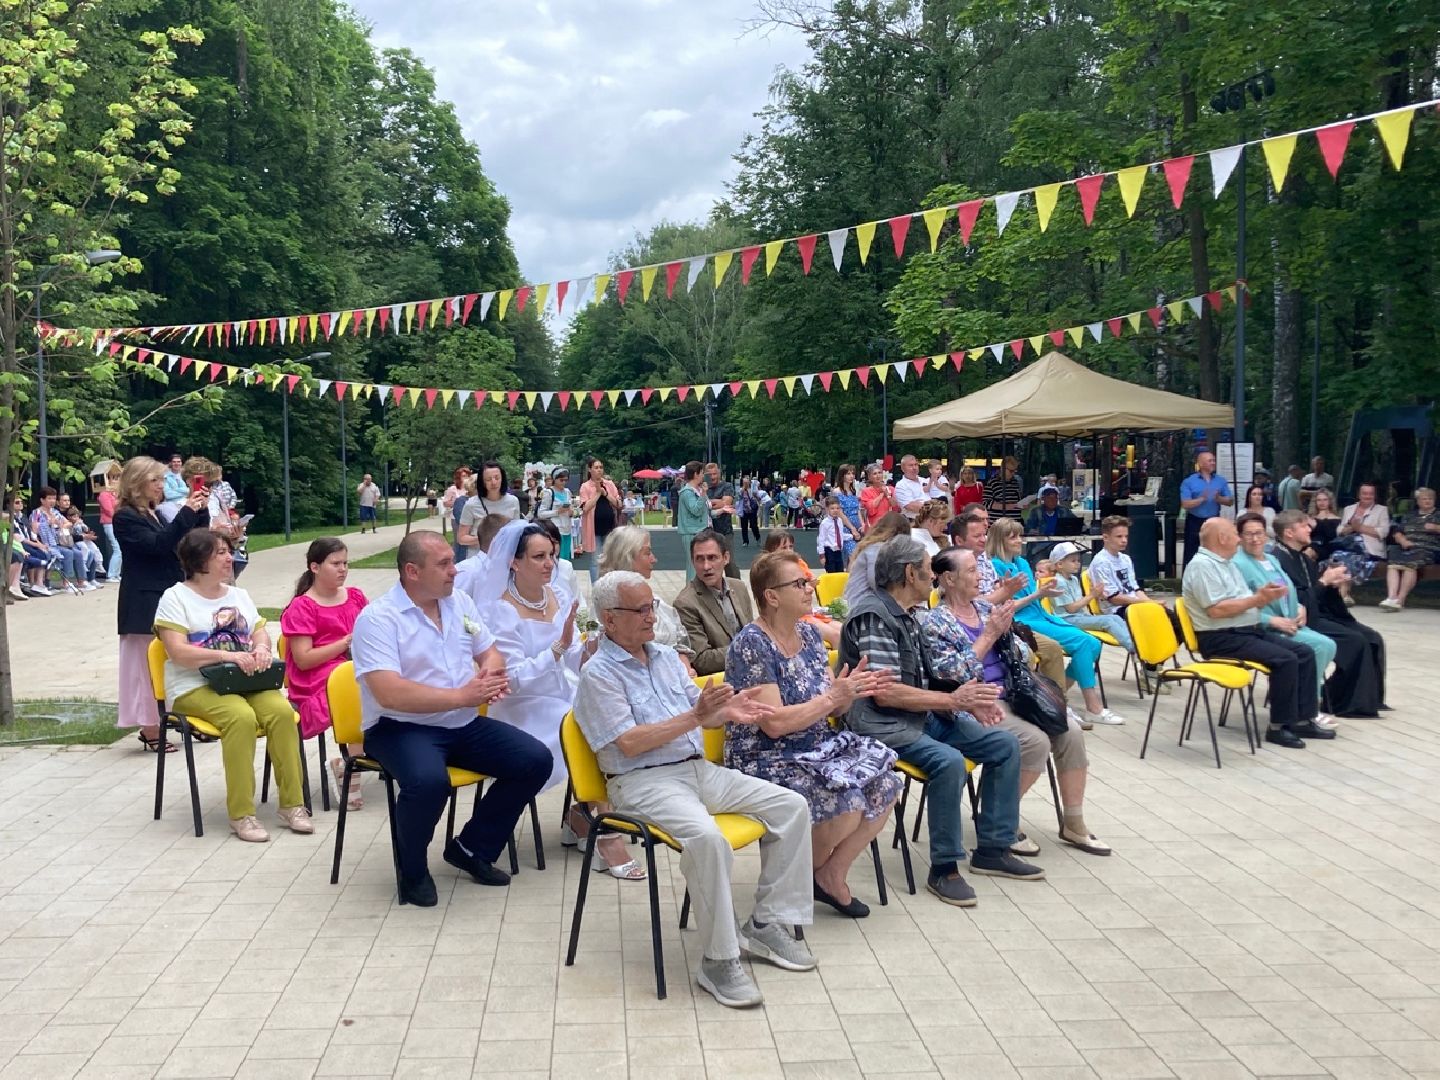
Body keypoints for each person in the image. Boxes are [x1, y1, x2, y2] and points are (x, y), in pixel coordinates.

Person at [575, 569, 815, 1007]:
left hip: (696, 771)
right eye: (641, 609)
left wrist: (732, 709)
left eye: (653, 606)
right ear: (609, 620)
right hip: (641, 782)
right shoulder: (599, 674)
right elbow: (628, 744)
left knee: (792, 805)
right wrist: (697, 718)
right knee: (707, 839)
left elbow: (701, 711)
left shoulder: (665, 657)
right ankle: (718, 961)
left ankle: (767, 923)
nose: (652, 617)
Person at [350, 530, 552, 906]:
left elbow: (490, 651)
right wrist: (463, 695)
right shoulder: (378, 618)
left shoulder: (458, 602)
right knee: (429, 782)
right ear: (412, 571)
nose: (454, 571)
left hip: (459, 722)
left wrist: (490, 674)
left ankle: (472, 848)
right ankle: (411, 872)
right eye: (443, 564)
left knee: (534, 760)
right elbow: (388, 691)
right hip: (398, 726)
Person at [840, 537, 1042, 906]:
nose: (933, 575)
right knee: (947, 762)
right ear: (908, 572)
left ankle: (993, 848)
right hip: (881, 722)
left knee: (1004, 744)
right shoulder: (874, 615)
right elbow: (885, 694)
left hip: (918, 713)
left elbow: (929, 675)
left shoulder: (911, 613)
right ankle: (944, 867)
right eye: (928, 567)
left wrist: (969, 702)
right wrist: (951, 700)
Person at [726, 551, 900, 918]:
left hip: (815, 747)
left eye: (809, 581)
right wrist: (833, 698)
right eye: (799, 583)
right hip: (765, 756)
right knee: (847, 800)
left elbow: (828, 704)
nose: (810, 588)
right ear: (771, 596)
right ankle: (790, 882)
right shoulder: (752, 644)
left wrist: (847, 694)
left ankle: (829, 875)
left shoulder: (806, 632)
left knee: (886, 783)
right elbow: (772, 723)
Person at [925, 547, 1111, 857]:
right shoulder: (934, 622)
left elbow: (1023, 656)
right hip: (974, 701)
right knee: (1034, 741)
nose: (980, 575)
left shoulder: (985, 611)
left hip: (1015, 694)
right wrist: (989, 635)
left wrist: (1010, 638)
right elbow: (952, 673)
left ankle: (1074, 823)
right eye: (971, 570)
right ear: (948, 578)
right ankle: (998, 822)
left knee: (1070, 732)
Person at [155, 530, 310, 842]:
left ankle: (293, 805)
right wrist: (229, 655)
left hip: (245, 679)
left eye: (229, 551)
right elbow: (178, 653)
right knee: (240, 718)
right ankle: (242, 814)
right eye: (221, 553)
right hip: (194, 685)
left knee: (281, 712)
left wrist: (262, 649)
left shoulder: (238, 595)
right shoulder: (175, 597)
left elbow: (260, 633)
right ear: (199, 561)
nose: (230, 558)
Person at [1181, 518, 1328, 748]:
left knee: (1304, 652)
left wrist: (1262, 595)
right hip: (1220, 637)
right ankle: (1279, 727)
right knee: (1285, 659)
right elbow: (1216, 610)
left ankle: (1302, 719)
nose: (1239, 539)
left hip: (1244, 631)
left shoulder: (1226, 563)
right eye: (1235, 534)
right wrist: (1258, 599)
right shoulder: (1202, 566)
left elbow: (1243, 599)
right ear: (1222, 538)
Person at [986, 519, 1125, 727]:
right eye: (1012, 537)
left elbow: (1033, 596)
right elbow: (1009, 606)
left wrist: (1043, 594)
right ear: (1000, 540)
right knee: (1085, 643)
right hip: (1022, 620)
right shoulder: (996, 566)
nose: (1019, 540)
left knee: (1094, 644)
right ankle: (1092, 707)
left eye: (1019, 535)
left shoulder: (1022, 563)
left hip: (1041, 615)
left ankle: (1053, 695)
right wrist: (1039, 594)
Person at [113, 457, 210, 751]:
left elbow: (183, 541)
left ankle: (185, 718)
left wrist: (200, 513)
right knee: (145, 665)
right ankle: (150, 728)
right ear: (138, 482)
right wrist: (185, 512)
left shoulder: (155, 514)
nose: (161, 486)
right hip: (143, 601)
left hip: (167, 596)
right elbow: (157, 546)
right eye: (155, 480)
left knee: (177, 662)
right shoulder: (126, 517)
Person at [1271, 510, 1387, 718]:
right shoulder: (1278, 559)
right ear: (1289, 533)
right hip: (1301, 618)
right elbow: (1294, 599)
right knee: (1355, 641)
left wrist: (1331, 584)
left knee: (1372, 638)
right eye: (1304, 526)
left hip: (1319, 612)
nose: (1310, 529)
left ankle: (1363, 699)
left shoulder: (1303, 558)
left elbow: (1315, 592)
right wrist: (1324, 582)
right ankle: (1345, 702)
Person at [281, 538, 370, 809]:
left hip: (352, 665)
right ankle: (352, 764)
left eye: (345, 563)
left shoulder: (355, 596)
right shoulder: (302, 606)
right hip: (315, 678)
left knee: (384, 682)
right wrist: (345, 643)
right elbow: (304, 660)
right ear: (315, 567)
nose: (343, 569)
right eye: (336, 564)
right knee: (353, 685)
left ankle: (356, 761)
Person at [1231, 514, 1337, 728]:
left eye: (1258, 533)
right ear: (1240, 537)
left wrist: (1299, 606)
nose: (1254, 539)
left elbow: (1288, 588)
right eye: (1248, 534)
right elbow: (1239, 606)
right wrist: (1272, 621)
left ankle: (1302, 702)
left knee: (1328, 644)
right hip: (1264, 626)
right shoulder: (1237, 564)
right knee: (1317, 647)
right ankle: (1307, 708)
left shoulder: (1271, 559)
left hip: (1291, 622)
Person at [597, 525, 694, 670]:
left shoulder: (655, 601)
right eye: (647, 553)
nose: (654, 559)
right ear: (627, 557)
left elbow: (679, 642)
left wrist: (684, 663)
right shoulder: (608, 608)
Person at [675, 529, 755, 676]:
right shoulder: (685, 603)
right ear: (692, 561)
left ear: (726, 558)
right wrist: (747, 648)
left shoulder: (739, 587)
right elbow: (701, 659)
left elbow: (750, 631)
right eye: (700, 559)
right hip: (721, 682)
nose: (706, 566)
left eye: (712, 558)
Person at [1048, 541, 1135, 653]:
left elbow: (1079, 603)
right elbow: (1071, 609)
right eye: (1073, 561)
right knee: (1107, 621)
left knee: (1116, 618)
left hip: (1079, 616)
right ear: (1059, 564)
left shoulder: (1074, 579)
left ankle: (1136, 642)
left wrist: (1098, 594)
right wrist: (1092, 595)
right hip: (1066, 620)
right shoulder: (1058, 582)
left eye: (1079, 560)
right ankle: (1133, 648)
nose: (1078, 564)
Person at [1381, 486, 1439, 611]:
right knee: (1393, 562)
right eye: (1424, 499)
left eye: (1430, 499)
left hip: (1427, 548)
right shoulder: (1410, 515)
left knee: (1410, 565)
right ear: (1418, 501)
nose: (1427, 501)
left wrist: (1436, 528)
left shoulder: (1438, 515)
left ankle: (1400, 599)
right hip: (1406, 547)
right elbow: (1397, 532)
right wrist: (1403, 540)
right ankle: (1391, 597)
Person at [841, 511, 911, 609]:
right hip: (861, 606)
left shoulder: (877, 548)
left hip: (872, 603)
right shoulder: (875, 549)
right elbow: (877, 581)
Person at [1336, 482, 1390, 604]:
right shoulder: (1348, 509)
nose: (1367, 496)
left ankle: (1342, 595)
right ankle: (1344, 596)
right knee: (1337, 557)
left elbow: (1383, 532)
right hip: (1348, 546)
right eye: (1364, 493)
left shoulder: (1382, 510)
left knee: (1349, 558)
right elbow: (1340, 530)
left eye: (1371, 494)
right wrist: (1351, 528)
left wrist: (1359, 527)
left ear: (1375, 496)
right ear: (1359, 495)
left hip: (1369, 549)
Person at [1180, 451, 1234, 567]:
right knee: (1191, 551)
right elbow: (1185, 504)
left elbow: (1230, 501)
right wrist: (1201, 499)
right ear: (1201, 463)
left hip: (1214, 520)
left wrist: (1218, 498)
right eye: (1210, 461)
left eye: (1214, 460)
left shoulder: (1220, 480)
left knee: (1214, 550)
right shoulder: (1189, 481)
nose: (1213, 463)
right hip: (1195, 521)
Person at [29, 489, 87, 593]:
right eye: (49, 498)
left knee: (77, 553)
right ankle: (64, 583)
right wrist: (47, 524)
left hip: (56, 542)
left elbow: (68, 523)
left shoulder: (54, 512)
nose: (52, 501)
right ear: (42, 500)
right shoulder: (37, 513)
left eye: (54, 498)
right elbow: (34, 531)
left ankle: (81, 581)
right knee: (67, 553)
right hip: (44, 543)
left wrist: (59, 525)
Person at [457, 461, 521, 555]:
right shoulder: (472, 504)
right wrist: (487, 539)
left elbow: (517, 531)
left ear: (502, 479)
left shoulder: (513, 501)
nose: (494, 482)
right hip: (479, 557)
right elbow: (461, 538)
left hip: (505, 556)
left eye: (497, 478)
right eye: (488, 479)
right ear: (482, 482)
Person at [576, 455, 620, 565]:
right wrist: (597, 492)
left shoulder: (609, 484)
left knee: (610, 559)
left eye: (601, 467)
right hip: (593, 528)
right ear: (590, 470)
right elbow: (585, 508)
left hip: (609, 526)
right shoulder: (585, 486)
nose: (599, 470)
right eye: (596, 467)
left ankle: (608, 582)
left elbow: (618, 504)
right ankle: (596, 582)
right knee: (596, 560)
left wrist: (605, 493)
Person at [534, 467, 575, 560]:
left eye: (566, 480)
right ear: (554, 479)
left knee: (565, 560)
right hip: (555, 529)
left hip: (567, 529)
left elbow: (571, 508)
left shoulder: (567, 492)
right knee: (556, 558)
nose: (564, 482)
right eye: (561, 480)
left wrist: (571, 512)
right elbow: (541, 514)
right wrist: (557, 512)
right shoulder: (549, 492)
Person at [832, 465, 864, 562]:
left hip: (857, 524)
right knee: (852, 555)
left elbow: (858, 509)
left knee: (858, 556)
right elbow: (840, 513)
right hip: (845, 526)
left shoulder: (853, 491)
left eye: (853, 474)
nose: (851, 476)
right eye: (848, 474)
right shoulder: (837, 492)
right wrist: (852, 528)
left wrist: (862, 524)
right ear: (842, 476)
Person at [97, 463, 123, 582]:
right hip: (110, 522)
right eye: (113, 478)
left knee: (119, 548)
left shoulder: (116, 494)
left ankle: (115, 573)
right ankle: (111, 574)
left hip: (116, 522)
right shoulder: (104, 494)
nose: (116, 481)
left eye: (117, 478)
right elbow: (109, 510)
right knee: (117, 548)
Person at [982, 456, 1024, 521]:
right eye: (1011, 471)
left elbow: (1017, 500)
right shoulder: (992, 483)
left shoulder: (1015, 482)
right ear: (1003, 469)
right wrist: (1007, 506)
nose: (1013, 473)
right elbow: (985, 503)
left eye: (1015, 471)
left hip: (1015, 522)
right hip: (998, 523)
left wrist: (1022, 504)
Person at [859, 464, 899, 529]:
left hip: (889, 524)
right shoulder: (866, 491)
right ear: (869, 477)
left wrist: (888, 495)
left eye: (879, 473)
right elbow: (871, 509)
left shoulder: (891, 489)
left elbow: (895, 506)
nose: (878, 476)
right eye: (874, 474)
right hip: (874, 526)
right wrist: (881, 495)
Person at [1307, 488, 1343, 559]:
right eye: (1319, 500)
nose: (1322, 502)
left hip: (1325, 547)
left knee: (1309, 552)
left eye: (1325, 500)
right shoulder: (1310, 518)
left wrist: (1316, 525)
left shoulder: (1337, 520)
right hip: (1309, 544)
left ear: (1330, 501)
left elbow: (1332, 536)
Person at [817, 496, 850, 574]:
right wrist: (822, 556)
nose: (835, 510)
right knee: (832, 573)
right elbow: (821, 540)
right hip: (829, 551)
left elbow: (840, 535)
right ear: (827, 509)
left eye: (837, 508)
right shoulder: (825, 523)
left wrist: (851, 536)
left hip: (838, 550)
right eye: (832, 508)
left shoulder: (839, 521)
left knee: (840, 571)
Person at [893, 455, 929, 522]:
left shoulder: (925, 481)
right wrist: (933, 506)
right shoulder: (901, 485)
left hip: (932, 522)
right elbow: (912, 507)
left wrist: (922, 504)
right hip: (914, 523)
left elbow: (938, 497)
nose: (914, 468)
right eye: (911, 465)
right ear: (903, 468)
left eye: (916, 465)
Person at [441, 467, 470, 539]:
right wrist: (457, 503)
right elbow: (445, 503)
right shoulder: (453, 489)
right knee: (458, 539)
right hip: (456, 518)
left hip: (469, 517)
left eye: (468, 476)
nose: (466, 478)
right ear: (458, 477)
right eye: (463, 476)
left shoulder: (471, 488)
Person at [158, 453, 188, 522]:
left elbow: (189, 491)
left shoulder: (184, 476)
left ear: (181, 463)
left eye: (178, 462)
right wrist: (186, 492)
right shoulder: (165, 477)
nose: (176, 464)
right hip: (172, 505)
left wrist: (176, 490)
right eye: (174, 462)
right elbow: (168, 495)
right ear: (170, 463)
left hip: (186, 503)